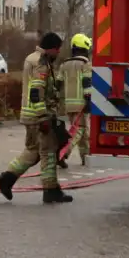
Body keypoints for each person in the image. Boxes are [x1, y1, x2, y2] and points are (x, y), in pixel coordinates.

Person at [0, 32, 74, 204]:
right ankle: (51, 190)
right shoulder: (42, 62)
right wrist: (43, 117)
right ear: (52, 48)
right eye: (58, 49)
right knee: (49, 153)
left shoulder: (32, 58)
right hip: (39, 117)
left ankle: (6, 178)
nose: (58, 53)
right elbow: (37, 91)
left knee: (33, 151)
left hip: (29, 115)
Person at [59, 33, 92, 166]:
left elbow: (58, 83)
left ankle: (86, 157)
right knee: (80, 129)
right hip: (81, 103)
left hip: (68, 103)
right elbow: (87, 83)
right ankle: (63, 152)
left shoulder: (64, 65)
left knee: (83, 132)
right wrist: (88, 100)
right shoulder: (85, 64)